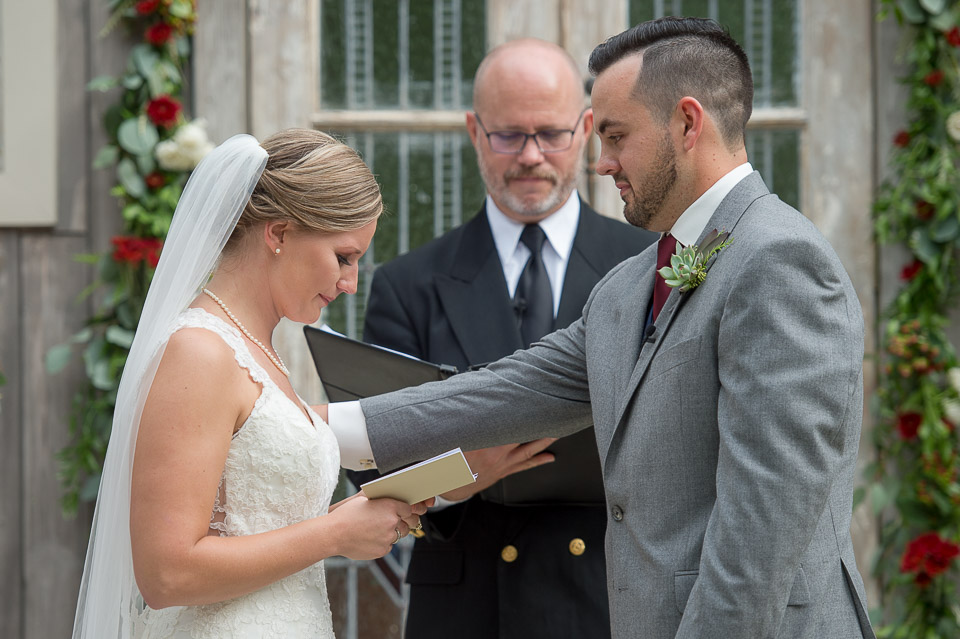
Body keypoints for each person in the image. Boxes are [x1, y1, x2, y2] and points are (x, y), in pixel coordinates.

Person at [323, 17, 877, 639]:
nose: (601, 162)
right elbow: (513, 388)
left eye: (614, 135)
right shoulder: (633, 281)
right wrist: (312, 427)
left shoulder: (781, 263)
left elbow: (761, 531)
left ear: (688, 124)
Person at [72, 129, 431, 639]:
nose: (350, 284)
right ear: (279, 234)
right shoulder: (199, 352)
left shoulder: (257, 351)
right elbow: (167, 573)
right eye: (343, 257)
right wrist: (333, 533)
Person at [350, 39, 654, 639]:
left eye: (551, 134)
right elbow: (370, 473)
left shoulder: (650, 264)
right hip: (467, 610)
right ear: (474, 131)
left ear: (588, 128)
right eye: (508, 135)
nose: (531, 156)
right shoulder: (407, 285)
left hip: (609, 602)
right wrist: (460, 473)